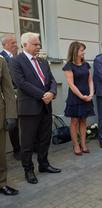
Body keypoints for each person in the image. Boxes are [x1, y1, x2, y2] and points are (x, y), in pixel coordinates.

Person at [9, 32, 61, 184]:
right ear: (25, 45)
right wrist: (42, 95)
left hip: (46, 107)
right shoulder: (16, 61)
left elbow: (51, 79)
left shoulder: (43, 61)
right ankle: (28, 170)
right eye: (35, 44)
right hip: (29, 108)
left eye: (39, 44)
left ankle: (44, 164)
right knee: (28, 142)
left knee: (45, 138)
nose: (39, 47)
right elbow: (21, 83)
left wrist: (52, 92)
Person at [63, 41, 95, 155]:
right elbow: (71, 84)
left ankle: (83, 143)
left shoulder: (86, 65)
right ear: (75, 51)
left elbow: (90, 80)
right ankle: (76, 145)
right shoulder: (68, 66)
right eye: (82, 50)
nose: (83, 52)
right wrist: (82, 96)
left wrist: (91, 94)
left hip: (87, 96)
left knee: (83, 120)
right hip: (75, 97)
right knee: (75, 121)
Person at [0, 57, 19, 195]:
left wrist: (11, 114)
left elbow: (8, 90)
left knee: (0, 154)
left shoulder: (1, 61)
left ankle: (1, 183)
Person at [0, 34, 21, 161]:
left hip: (22, 94)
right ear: (5, 44)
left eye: (16, 43)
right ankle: (16, 149)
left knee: (24, 121)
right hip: (9, 96)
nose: (16, 45)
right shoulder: (2, 58)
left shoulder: (18, 57)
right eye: (13, 43)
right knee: (13, 123)